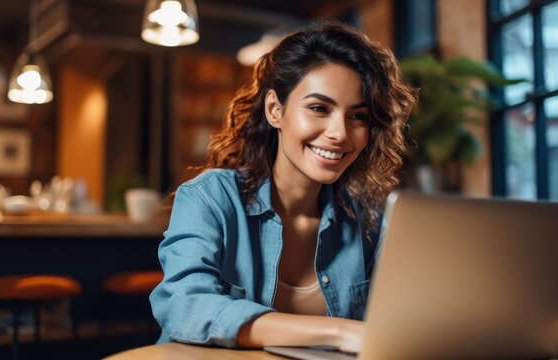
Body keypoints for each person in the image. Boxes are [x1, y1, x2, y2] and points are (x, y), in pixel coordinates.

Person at [149, 21, 417, 354]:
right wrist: (339, 332)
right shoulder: (210, 198)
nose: (340, 133)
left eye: (358, 116)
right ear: (276, 110)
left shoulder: (369, 219)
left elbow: (406, 320)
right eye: (319, 108)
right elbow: (183, 305)